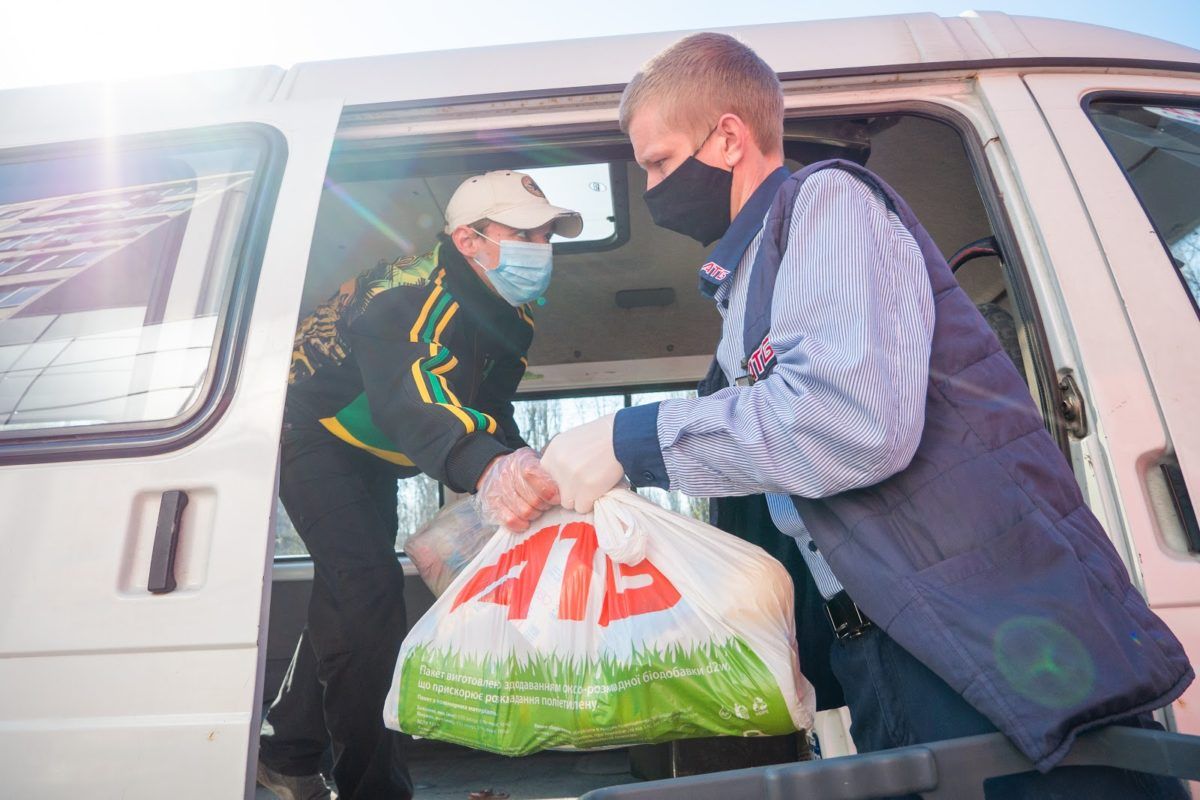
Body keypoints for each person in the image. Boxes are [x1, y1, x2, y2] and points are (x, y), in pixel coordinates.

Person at [539, 33, 1193, 798]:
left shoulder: (826, 203)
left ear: (726, 136)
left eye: (657, 161)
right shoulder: (747, 285)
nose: (653, 186)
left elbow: (850, 424)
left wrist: (628, 437)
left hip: (980, 631)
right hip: (884, 641)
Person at [257, 170, 578, 800]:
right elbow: (419, 398)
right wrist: (487, 469)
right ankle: (369, 789)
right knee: (368, 587)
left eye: (545, 234)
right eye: (523, 233)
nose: (539, 247)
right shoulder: (406, 295)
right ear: (469, 240)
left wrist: (528, 467)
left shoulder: (512, 314)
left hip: (373, 447)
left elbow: (484, 403)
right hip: (309, 429)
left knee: (349, 591)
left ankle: (287, 749)